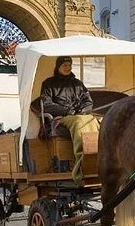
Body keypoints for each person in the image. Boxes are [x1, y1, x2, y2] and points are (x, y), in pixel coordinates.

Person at [40, 56, 99, 185]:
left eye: (69, 65)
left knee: (95, 121)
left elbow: (88, 101)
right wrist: (66, 111)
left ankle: (98, 162)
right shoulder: (49, 84)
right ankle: (79, 168)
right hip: (59, 118)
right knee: (79, 122)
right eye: (65, 65)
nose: (68, 67)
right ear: (58, 67)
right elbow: (46, 104)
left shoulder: (78, 83)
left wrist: (83, 110)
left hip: (80, 115)